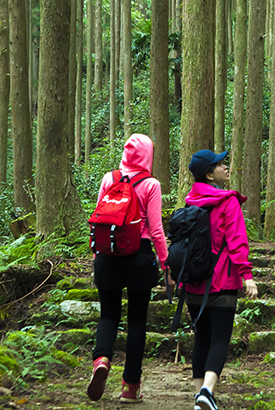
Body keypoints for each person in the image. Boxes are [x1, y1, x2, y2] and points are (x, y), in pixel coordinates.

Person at [87, 133, 172, 404]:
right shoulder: (151, 184)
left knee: (108, 316)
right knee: (137, 321)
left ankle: (101, 359)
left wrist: (96, 255)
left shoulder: (109, 178)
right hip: (139, 255)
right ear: (148, 155)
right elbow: (157, 229)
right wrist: (165, 263)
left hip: (107, 255)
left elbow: (100, 216)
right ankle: (130, 387)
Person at [184, 149, 258, 410]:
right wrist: (247, 275)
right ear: (209, 173)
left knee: (201, 338)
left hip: (193, 281)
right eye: (219, 164)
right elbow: (237, 241)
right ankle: (207, 390)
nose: (225, 167)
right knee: (219, 340)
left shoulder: (190, 201)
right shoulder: (228, 201)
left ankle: (198, 398)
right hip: (223, 280)